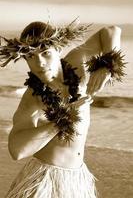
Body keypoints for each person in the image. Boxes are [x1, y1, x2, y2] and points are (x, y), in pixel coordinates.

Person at [0, 20, 124, 198]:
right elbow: (17, 150)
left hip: (77, 178)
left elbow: (111, 31)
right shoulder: (33, 99)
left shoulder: (77, 61)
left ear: (58, 49)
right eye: (31, 56)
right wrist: (62, 120)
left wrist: (107, 65)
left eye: (45, 53)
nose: (40, 63)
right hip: (45, 181)